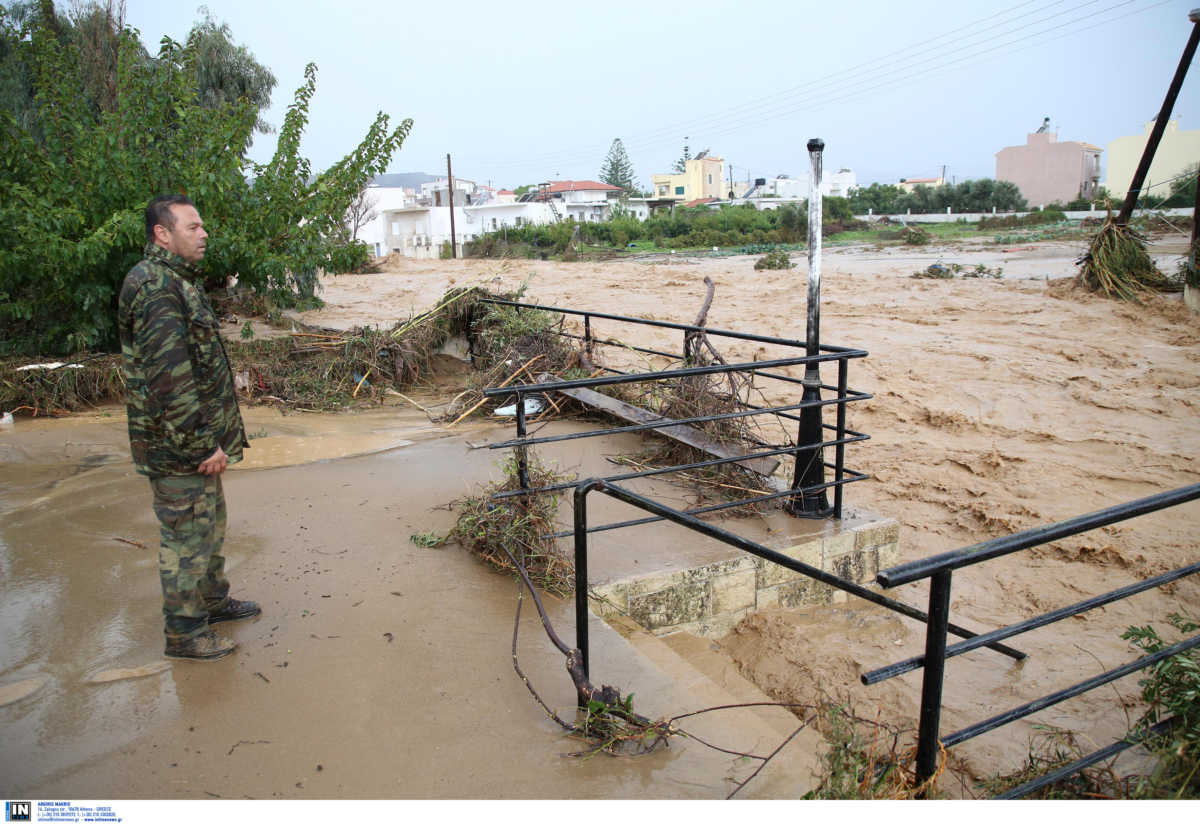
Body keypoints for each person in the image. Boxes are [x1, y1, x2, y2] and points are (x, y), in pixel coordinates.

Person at [118, 194, 259, 661]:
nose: (203, 234)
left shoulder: (175, 281)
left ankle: (213, 603)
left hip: (193, 443)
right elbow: (168, 378)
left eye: (202, 227)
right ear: (163, 233)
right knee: (185, 538)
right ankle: (184, 633)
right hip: (178, 447)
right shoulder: (156, 287)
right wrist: (202, 443)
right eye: (193, 227)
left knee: (209, 526)